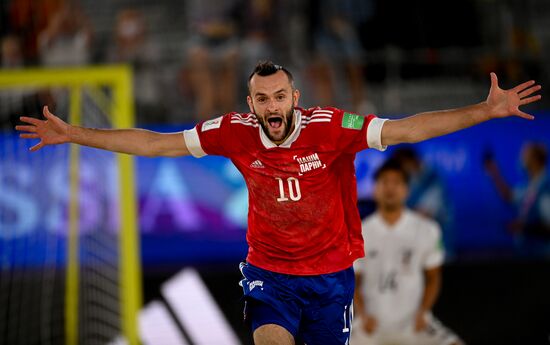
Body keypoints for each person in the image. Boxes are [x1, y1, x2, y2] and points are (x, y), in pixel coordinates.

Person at [16, 61, 541, 345]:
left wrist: (484, 111)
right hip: (271, 272)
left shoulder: (332, 127)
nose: (272, 106)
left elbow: (407, 129)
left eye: (280, 96)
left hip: (333, 276)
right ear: (252, 104)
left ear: (295, 97)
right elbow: (155, 143)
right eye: (262, 99)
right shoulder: (233, 132)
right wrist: (76, 134)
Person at [351, 160, 463, 345]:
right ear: (375, 189)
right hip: (371, 326)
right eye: (384, 182)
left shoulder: (427, 229)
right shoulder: (360, 232)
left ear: (406, 190)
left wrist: (423, 312)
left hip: (413, 324)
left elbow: (433, 278)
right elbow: (354, 280)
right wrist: (362, 314)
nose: (390, 188)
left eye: (396, 183)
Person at [485, 142, 550, 249]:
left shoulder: (546, 187)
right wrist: (494, 172)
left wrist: (525, 228)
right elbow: (510, 196)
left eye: (525, 155)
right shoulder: (531, 185)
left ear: (535, 160)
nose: (521, 159)